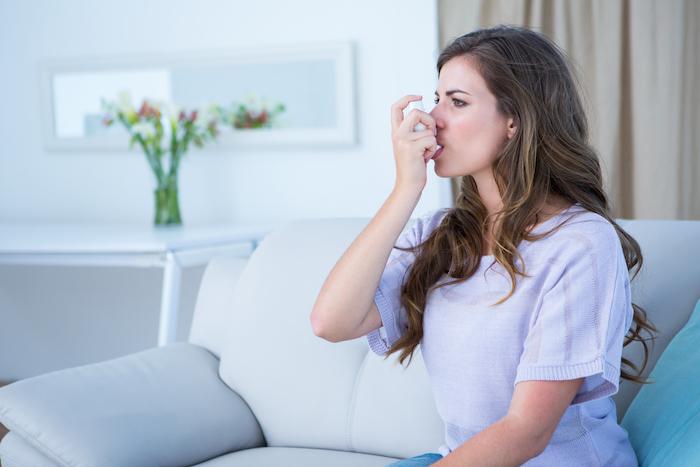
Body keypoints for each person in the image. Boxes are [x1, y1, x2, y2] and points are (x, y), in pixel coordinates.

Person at [310, 24, 656, 466]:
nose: (433, 119)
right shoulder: (442, 235)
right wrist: (404, 191)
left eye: (457, 102)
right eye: (437, 99)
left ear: (514, 119)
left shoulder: (582, 243)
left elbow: (527, 431)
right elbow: (330, 322)